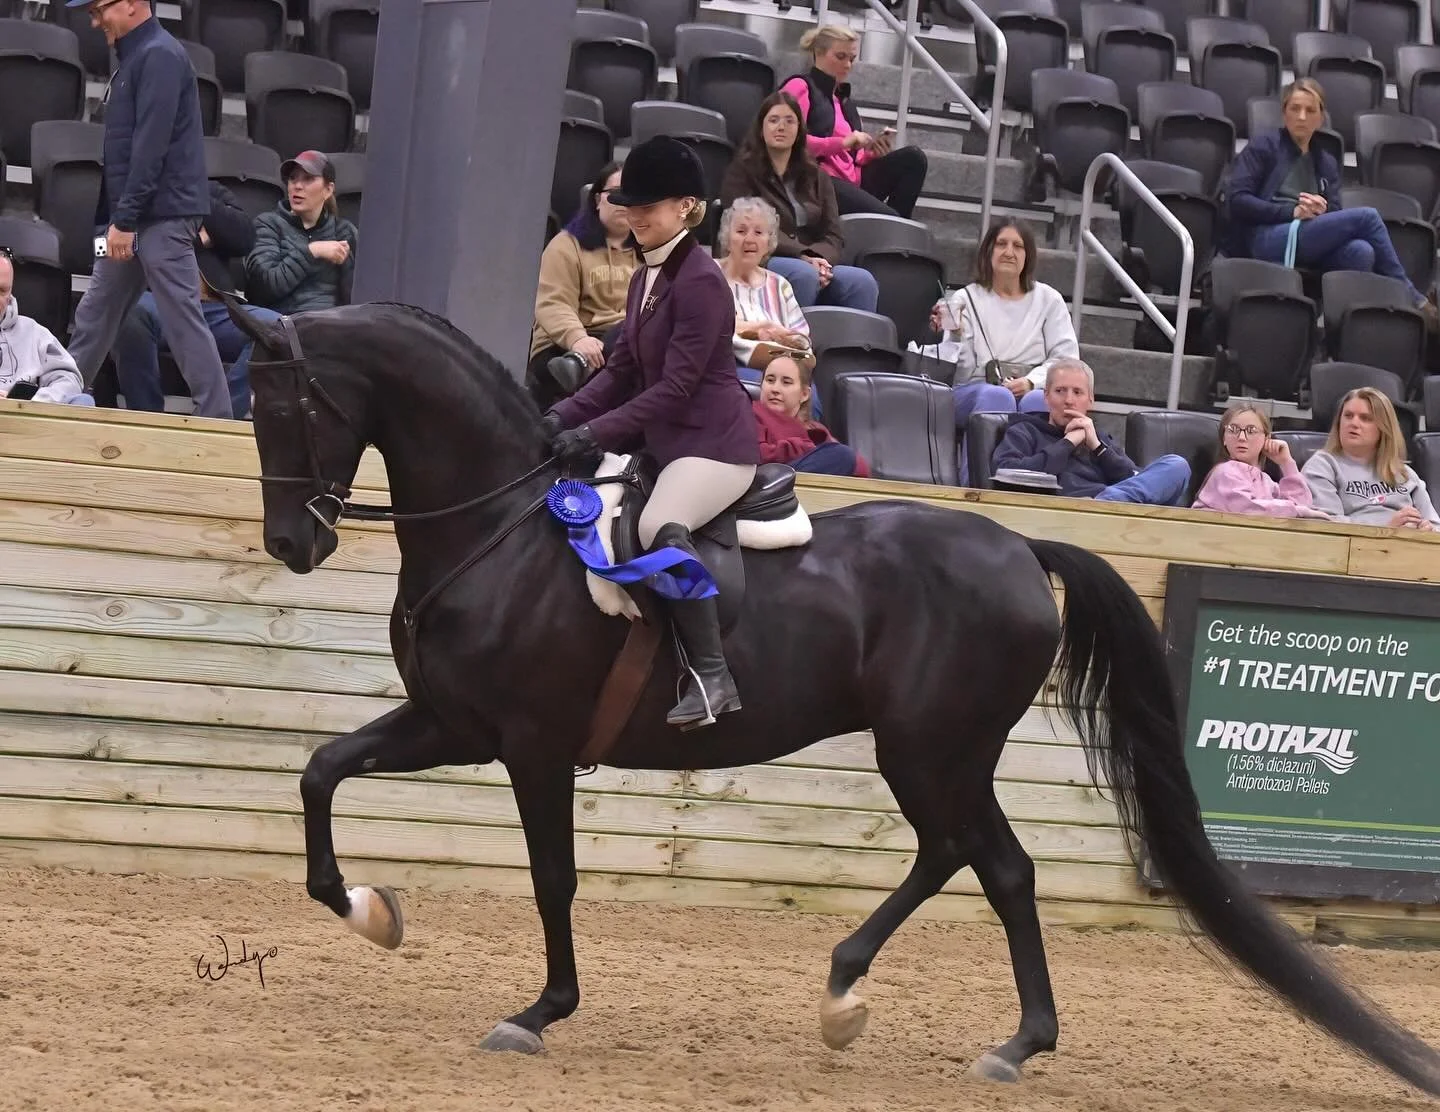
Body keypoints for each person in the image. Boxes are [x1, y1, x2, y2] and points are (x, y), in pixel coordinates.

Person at [543, 137, 759, 730]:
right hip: (665, 441)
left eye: (648, 207)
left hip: (713, 445)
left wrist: (595, 432)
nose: (634, 217)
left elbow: (676, 388)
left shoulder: (701, 282)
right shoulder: (646, 277)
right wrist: (561, 416)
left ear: (687, 206)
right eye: (629, 206)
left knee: (656, 525)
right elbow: (622, 373)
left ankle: (712, 676)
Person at [61, 0, 231, 418]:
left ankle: (218, 421)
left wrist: (124, 219)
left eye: (98, 10)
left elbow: (150, 147)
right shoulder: (136, 56)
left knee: (180, 317)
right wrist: (117, 222)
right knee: (95, 310)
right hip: (129, 221)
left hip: (160, 219)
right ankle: (60, 399)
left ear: (133, 3)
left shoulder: (159, 55)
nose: (95, 21)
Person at [1223, 77, 1438, 324]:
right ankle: (1413, 299)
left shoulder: (1325, 162)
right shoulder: (1264, 146)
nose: (1301, 117)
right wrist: (1291, 212)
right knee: (1368, 217)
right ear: (1284, 113)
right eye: (1295, 109)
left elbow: (1335, 211)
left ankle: (1341, 329)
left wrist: (1321, 210)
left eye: (1310, 110)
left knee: (1362, 251)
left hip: (1309, 238)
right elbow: (1238, 200)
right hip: (1265, 237)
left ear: (1320, 118)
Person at [110, 180, 282, 419]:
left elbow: (244, 237)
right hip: (158, 303)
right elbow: (103, 246)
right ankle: (146, 418)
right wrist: (198, 240)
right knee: (130, 313)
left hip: (214, 308)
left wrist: (194, 197)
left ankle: (216, 419)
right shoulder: (135, 196)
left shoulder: (211, 191)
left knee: (275, 328)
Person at [922, 220, 1079, 442]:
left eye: (1018, 246)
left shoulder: (1050, 299)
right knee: (997, 396)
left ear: (1028, 256)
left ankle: (1039, 464)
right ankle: (983, 467)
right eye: (1001, 244)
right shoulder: (964, 299)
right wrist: (957, 334)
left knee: (1038, 400)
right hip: (976, 389)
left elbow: (1067, 361)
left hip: (1033, 387)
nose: (1009, 252)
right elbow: (961, 376)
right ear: (988, 251)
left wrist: (1031, 382)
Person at [720, 92, 879, 311]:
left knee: (861, 281)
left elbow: (834, 234)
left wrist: (818, 260)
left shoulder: (817, 175)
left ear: (799, 130)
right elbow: (745, 227)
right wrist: (802, 255)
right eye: (773, 120)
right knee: (803, 275)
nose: (781, 127)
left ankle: (852, 336)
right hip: (763, 256)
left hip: (814, 261)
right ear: (761, 129)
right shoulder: (742, 172)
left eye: (789, 121)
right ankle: (794, 334)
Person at [992, 359, 1191, 505]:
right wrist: (1067, 443)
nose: (1069, 400)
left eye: (1077, 392)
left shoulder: (1098, 437)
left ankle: (1103, 504)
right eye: (1060, 391)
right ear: (1046, 397)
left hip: (1110, 510)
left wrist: (1097, 447)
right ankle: (1102, 506)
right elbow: (1006, 474)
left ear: (1090, 400)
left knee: (1176, 465)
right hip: (1061, 511)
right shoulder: (1025, 430)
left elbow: (1132, 479)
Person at [779, 25, 929, 219]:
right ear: (819, 52)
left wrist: (871, 153)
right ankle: (892, 230)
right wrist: (841, 142)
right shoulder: (800, 86)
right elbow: (786, 140)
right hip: (818, 180)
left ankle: (893, 230)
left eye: (852, 59)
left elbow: (852, 157)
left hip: (850, 181)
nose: (848, 65)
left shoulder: (843, 101)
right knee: (889, 218)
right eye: (840, 57)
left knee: (914, 159)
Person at [529, 161, 637, 408]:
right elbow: (553, 304)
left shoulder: (650, 253)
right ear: (598, 200)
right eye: (616, 194)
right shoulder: (566, 246)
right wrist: (578, 340)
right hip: (564, 349)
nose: (624, 202)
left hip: (622, 344)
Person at [716, 196, 816, 403]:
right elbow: (708, 324)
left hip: (782, 364)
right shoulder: (709, 275)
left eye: (758, 232)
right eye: (741, 231)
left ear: (768, 241)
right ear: (727, 236)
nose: (749, 239)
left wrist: (780, 338)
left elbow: (801, 339)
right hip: (729, 364)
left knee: (808, 394)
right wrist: (758, 329)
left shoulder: (780, 285)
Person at [1302, 387, 1438, 530]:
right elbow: (1325, 525)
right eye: (1348, 416)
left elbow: (1435, 526)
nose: (1354, 423)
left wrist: (1427, 530)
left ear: (1383, 428)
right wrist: (1386, 529)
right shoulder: (1322, 466)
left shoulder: (1405, 474)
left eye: (1365, 418)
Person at [245, 151, 358, 316]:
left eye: (308, 179)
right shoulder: (268, 224)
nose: (297, 186)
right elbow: (263, 288)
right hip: (282, 322)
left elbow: (356, 296)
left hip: (332, 322)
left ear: (328, 190)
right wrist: (312, 251)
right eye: (293, 178)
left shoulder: (344, 231)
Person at [1192, 403, 1330, 519]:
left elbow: (1301, 507)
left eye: (1251, 431)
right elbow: (1247, 509)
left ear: (1266, 438)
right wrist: (1297, 511)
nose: (1241, 437)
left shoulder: (1266, 481)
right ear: (1224, 438)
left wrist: (1286, 463)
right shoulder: (1224, 472)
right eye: (1233, 430)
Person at [752, 358, 869, 477]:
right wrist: (799, 447)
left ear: (804, 394)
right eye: (770, 380)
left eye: (786, 382)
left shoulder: (814, 428)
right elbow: (755, 454)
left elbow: (858, 464)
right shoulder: (750, 414)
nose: (775, 389)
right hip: (768, 479)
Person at [0, 253, 87, 405]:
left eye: (2, 290)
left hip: (23, 415)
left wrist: (33, 403)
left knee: (83, 401)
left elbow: (69, 380)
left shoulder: (35, 334)